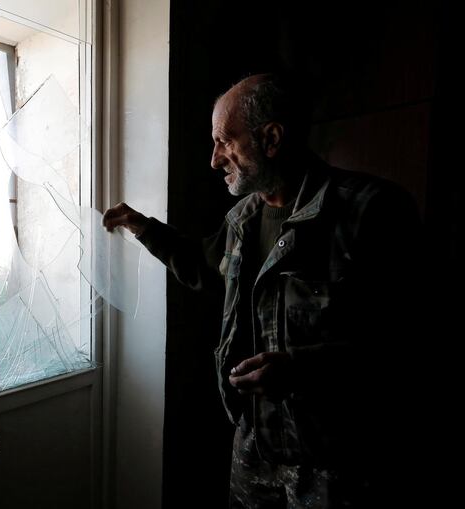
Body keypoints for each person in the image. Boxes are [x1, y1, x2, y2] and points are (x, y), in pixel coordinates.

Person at [103, 74, 424, 508]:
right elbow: (202, 265)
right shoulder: (242, 219)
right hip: (253, 449)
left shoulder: (372, 211)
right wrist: (141, 227)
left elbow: (409, 341)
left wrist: (303, 368)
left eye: (224, 141)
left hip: (337, 465)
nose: (215, 160)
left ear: (271, 138)